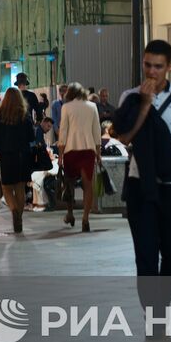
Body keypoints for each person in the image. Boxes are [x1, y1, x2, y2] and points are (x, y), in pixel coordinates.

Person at [113, 41, 171, 309]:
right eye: (147, 65)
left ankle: (162, 300)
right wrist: (145, 103)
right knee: (146, 255)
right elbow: (125, 136)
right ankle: (153, 311)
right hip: (141, 184)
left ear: (169, 67)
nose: (152, 72)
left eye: (158, 66)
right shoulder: (130, 97)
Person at [0, 87, 36, 234]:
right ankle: (19, 218)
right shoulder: (25, 115)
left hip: (7, 156)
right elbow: (31, 138)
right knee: (20, 188)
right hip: (23, 155)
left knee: (6, 188)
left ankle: (14, 210)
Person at [57, 82, 103, 232]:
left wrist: (60, 155)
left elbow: (63, 132)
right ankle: (85, 218)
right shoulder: (92, 106)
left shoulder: (66, 107)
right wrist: (98, 153)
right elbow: (97, 130)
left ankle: (70, 213)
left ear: (69, 94)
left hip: (71, 150)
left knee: (69, 184)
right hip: (88, 149)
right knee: (87, 185)